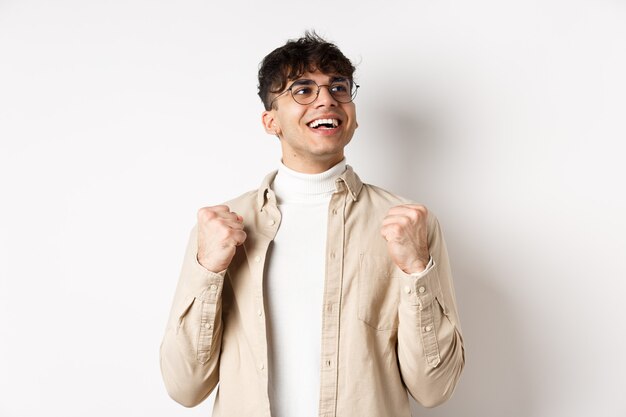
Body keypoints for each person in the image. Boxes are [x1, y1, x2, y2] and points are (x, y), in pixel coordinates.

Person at [160, 31, 464, 417]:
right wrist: (209, 267)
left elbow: (435, 389)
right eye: (302, 90)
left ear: (352, 115)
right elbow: (184, 387)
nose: (327, 99)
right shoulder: (221, 227)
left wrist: (416, 267)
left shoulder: (409, 223)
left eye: (339, 87)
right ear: (271, 121)